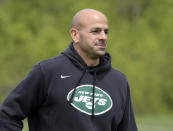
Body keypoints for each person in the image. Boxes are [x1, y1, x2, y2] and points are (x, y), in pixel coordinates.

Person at [0, 9, 138, 131]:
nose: (103, 37)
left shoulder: (119, 81)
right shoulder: (47, 72)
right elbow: (6, 116)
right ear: (75, 35)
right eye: (95, 31)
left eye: (105, 32)